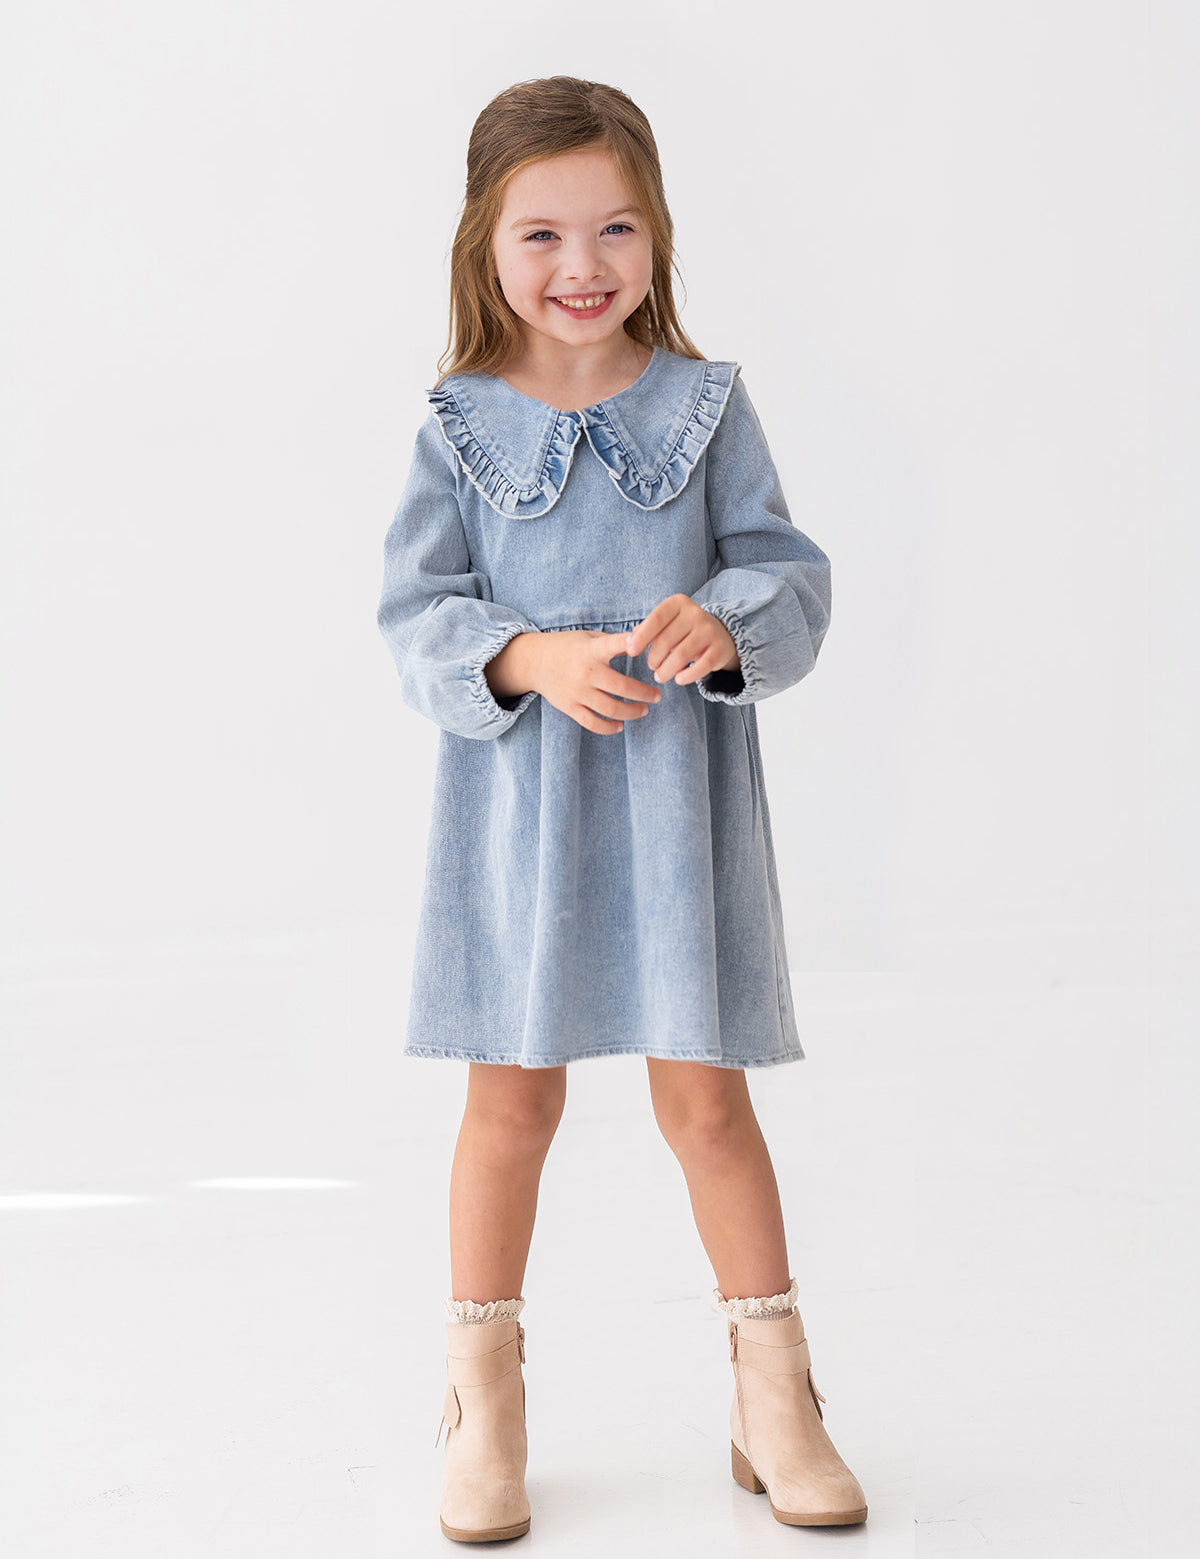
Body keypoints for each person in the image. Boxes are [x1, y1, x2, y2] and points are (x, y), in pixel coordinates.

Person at [376, 74, 868, 1542]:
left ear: (659, 239)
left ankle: (774, 1391)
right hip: (518, 814)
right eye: (541, 234)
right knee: (508, 1100)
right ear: (484, 245)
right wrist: (525, 654)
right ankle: (483, 1398)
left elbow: (786, 568)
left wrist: (726, 624)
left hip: (674, 808)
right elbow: (416, 611)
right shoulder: (458, 425)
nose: (580, 267)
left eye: (615, 229)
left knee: (704, 1100)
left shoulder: (704, 408)